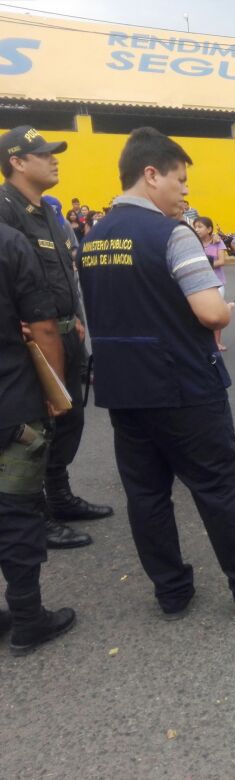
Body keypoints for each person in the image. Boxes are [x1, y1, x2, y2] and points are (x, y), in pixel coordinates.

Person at [77, 126, 235, 618]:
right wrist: (227, 305)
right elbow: (210, 312)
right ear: (150, 175)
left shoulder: (93, 238)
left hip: (122, 388)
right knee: (217, 486)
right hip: (182, 384)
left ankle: (171, 591)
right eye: (179, 179)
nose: (185, 190)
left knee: (146, 496)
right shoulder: (172, 234)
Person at [0, 125, 112, 550]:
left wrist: (77, 317)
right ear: (17, 161)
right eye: (44, 153)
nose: (54, 158)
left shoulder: (47, 211)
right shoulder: (4, 210)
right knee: (34, 431)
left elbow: (67, 274)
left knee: (68, 420)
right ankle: (36, 516)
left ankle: (60, 497)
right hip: (32, 343)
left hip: (65, 332)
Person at [0, 220, 77, 655]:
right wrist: (57, 392)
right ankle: (29, 618)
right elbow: (44, 325)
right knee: (16, 512)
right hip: (9, 401)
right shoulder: (9, 241)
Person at [193, 216, 234, 352]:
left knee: (216, 314)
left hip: (217, 282)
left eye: (200, 226)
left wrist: (204, 265)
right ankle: (201, 342)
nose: (196, 229)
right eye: (195, 226)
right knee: (198, 313)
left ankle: (216, 342)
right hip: (198, 283)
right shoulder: (193, 242)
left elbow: (222, 261)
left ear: (209, 229)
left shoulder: (217, 242)